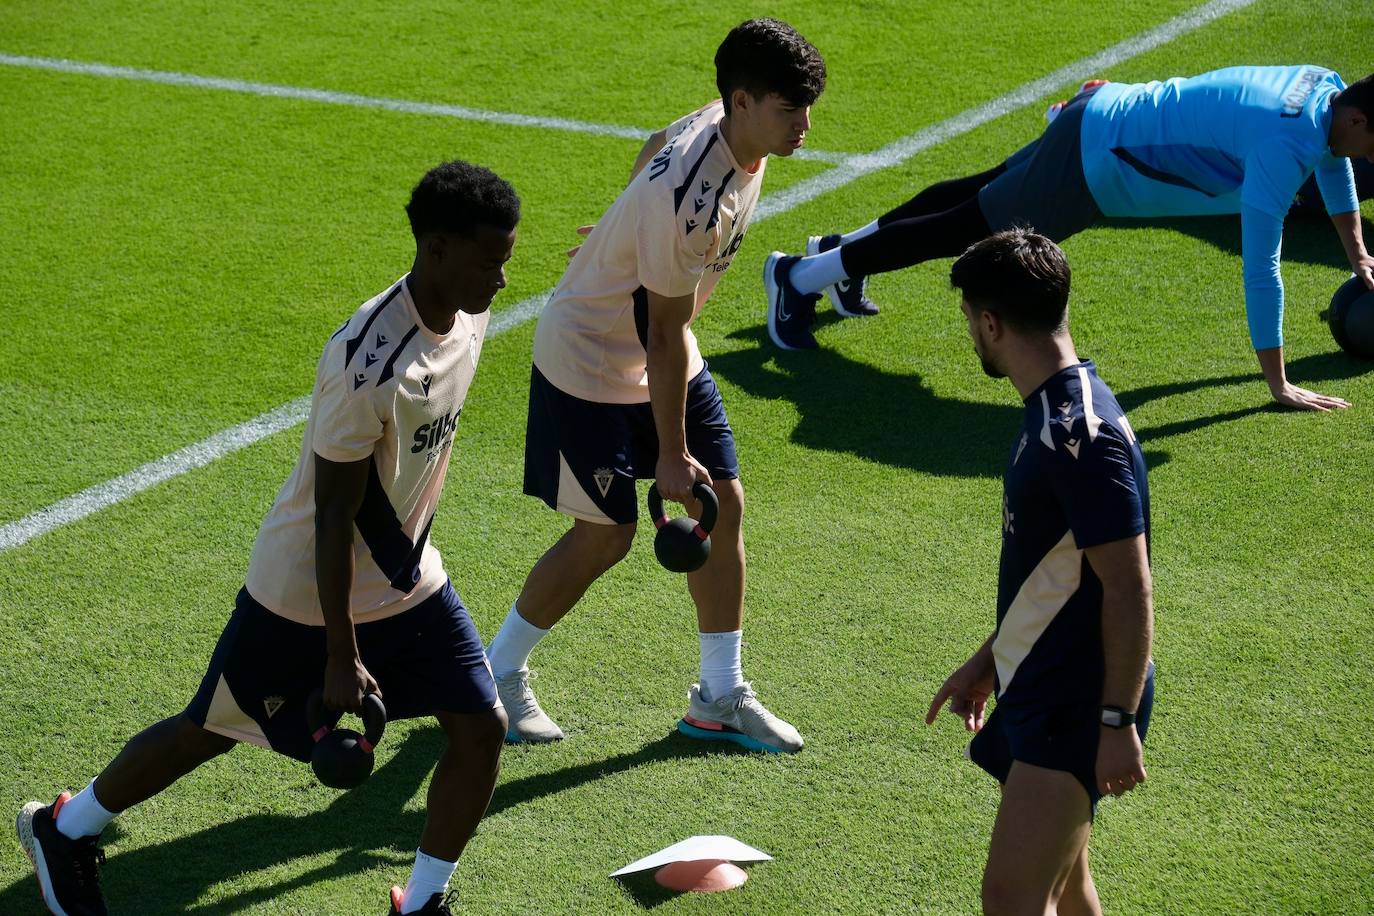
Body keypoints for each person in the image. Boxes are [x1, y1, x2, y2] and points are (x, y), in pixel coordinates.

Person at [15, 161, 520, 916]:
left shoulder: (469, 312)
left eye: (508, 260)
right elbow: (331, 513)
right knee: (209, 730)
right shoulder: (365, 363)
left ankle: (421, 902)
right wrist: (340, 653)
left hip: (407, 577)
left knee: (481, 728)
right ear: (438, 249)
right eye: (491, 261)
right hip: (304, 594)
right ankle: (65, 828)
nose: (503, 281)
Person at [483, 18, 825, 753]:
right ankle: (495, 674)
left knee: (723, 502)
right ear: (741, 99)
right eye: (788, 109)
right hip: (592, 361)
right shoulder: (692, 202)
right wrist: (669, 456)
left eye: (807, 107)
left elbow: (653, 145)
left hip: (659, 344)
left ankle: (720, 697)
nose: (805, 125)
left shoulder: (723, 129)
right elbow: (660, 334)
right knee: (607, 535)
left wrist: (620, 224)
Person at [765, 66, 1374, 411]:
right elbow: (1261, 264)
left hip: (1104, 111)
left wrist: (1359, 255)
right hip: (1098, 163)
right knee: (965, 229)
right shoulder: (1283, 145)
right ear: (1355, 119)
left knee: (976, 194)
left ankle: (837, 255)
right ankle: (798, 277)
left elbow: (1334, 165)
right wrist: (1278, 383)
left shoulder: (1323, 87)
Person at [925, 229, 1154, 915]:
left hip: (1078, 701)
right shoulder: (1056, 409)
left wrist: (1114, 721)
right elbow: (1057, 573)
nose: (971, 333)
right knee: (1067, 888)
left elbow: (1129, 584)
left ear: (991, 322)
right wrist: (988, 661)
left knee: (1013, 898)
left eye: (970, 320)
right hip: (1044, 680)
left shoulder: (1079, 435)